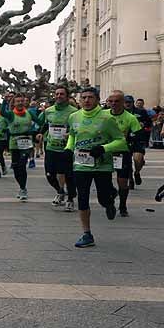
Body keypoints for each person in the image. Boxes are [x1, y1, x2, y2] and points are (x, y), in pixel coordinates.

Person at [67, 86, 128, 248]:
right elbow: (73, 136)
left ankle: (109, 202)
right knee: (82, 197)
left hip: (102, 165)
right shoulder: (74, 117)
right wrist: (68, 149)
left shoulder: (106, 119)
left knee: (103, 197)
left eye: (90, 98)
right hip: (81, 165)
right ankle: (86, 234)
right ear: (80, 100)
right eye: (84, 98)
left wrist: (103, 149)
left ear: (97, 99)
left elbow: (120, 140)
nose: (87, 100)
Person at [38, 86, 78, 212]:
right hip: (50, 147)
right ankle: (60, 191)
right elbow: (45, 124)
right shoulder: (48, 111)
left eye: (62, 94)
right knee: (49, 174)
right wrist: (40, 133)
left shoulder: (73, 111)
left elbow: (77, 128)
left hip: (66, 148)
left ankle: (70, 199)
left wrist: (70, 134)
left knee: (68, 175)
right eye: (57, 94)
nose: (59, 96)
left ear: (67, 96)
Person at [106, 91, 142, 217]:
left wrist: (130, 143)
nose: (113, 104)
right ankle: (110, 199)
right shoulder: (103, 115)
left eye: (117, 101)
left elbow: (138, 137)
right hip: (105, 152)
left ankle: (122, 205)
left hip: (122, 153)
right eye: (111, 101)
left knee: (122, 182)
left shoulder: (131, 118)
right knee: (104, 181)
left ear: (123, 103)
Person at [0, 93, 39, 200]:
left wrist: (35, 131)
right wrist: (5, 100)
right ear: (14, 103)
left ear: (25, 102)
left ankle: (23, 188)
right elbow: (2, 112)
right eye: (18, 101)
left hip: (26, 142)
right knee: (16, 167)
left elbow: (39, 121)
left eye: (22, 101)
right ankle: (22, 187)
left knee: (22, 165)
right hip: (14, 143)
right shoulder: (11, 114)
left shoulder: (29, 113)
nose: (20, 103)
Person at [128, 96, 153, 187]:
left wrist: (144, 124)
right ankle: (130, 179)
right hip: (125, 140)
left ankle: (137, 172)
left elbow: (149, 122)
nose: (127, 104)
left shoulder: (140, 112)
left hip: (138, 139)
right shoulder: (120, 112)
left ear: (132, 103)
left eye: (129, 102)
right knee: (126, 163)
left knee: (137, 160)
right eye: (126, 102)